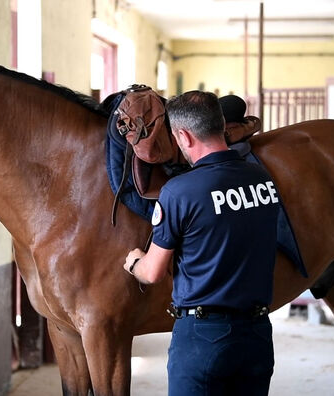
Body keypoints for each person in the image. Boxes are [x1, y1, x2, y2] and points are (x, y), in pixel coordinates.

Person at [123, 90, 280, 395]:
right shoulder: (262, 179)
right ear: (221, 126)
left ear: (183, 135)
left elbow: (153, 272)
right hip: (258, 335)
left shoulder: (179, 191)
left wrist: (134, 262)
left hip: (203, 337)